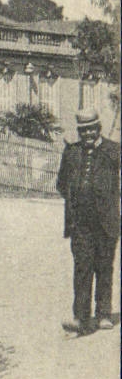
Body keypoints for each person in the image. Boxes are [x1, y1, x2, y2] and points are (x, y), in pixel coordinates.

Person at [55, 104, 120, 335]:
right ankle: (80, 317)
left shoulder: (114, 151)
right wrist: (77, 200)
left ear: (99, 128)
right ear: (79, 132)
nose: (88, 135)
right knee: (82, 267)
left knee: (104, 266)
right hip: (80, 223)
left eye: (92, 130)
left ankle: (103, 314)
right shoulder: (71, 152)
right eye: (84, 131)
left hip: (106, 222)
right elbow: (61, 183)